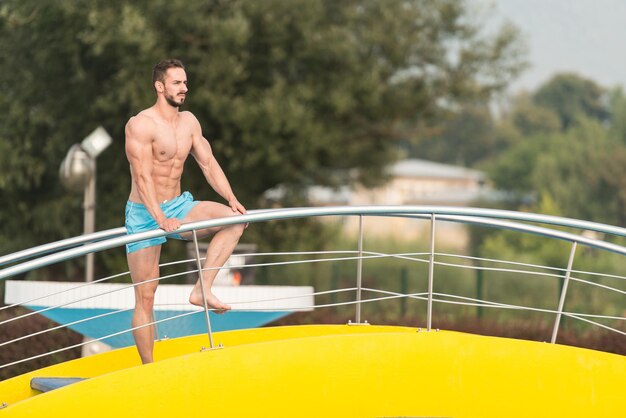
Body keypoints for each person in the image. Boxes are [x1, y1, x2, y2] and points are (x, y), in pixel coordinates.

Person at [124, 58, 246, 364]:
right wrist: (160, 218)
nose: (184, 88)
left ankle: (201, 290)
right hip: (143, 212)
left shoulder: (189, 122)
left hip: (179, 204)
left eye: (185, 83)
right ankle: (148, 369)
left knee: (234, 222)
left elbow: (208, 163)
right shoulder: (140, 124)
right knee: (146, 295)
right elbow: (142, 177)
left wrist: (231, 198)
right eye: (177, 83)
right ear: (159, 86)